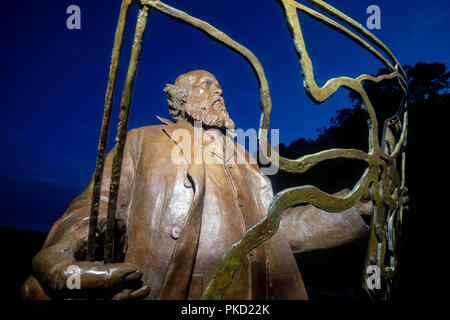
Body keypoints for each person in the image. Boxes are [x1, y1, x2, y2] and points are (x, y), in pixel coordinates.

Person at [20, 70, 380, 300]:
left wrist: (350, 211)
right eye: (208, 85)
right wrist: (59, 257)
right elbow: (93, 209)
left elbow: (276, 229)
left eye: (220, 86)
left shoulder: (246, 157)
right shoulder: (142, 141)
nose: (219, 91)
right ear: (179, 99)